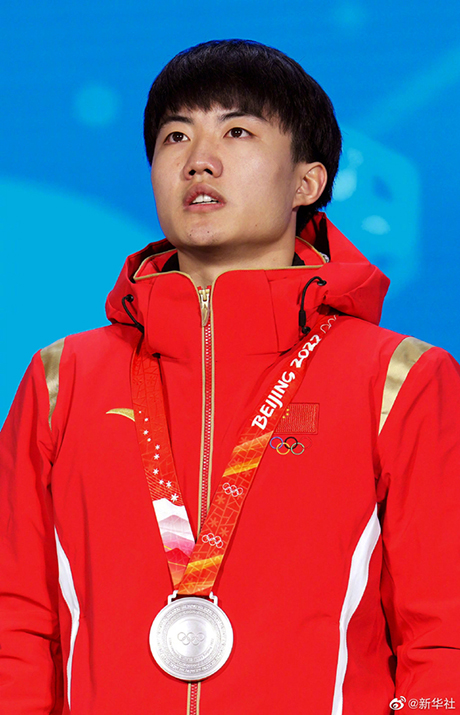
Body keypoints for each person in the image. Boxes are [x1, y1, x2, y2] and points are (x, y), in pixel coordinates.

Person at [1, 39, 459, 715]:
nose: (198, 159)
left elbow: (442, 634)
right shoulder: (60, 379)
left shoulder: (399, 378)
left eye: (237, 131)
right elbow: (15, 621)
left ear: (308, 183)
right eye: (175, 136)